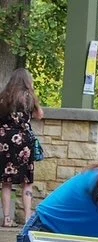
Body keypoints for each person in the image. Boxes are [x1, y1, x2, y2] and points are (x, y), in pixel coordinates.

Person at [0, 68, 44, 226]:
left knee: (6, 181)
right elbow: (40, 115)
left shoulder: (4, 96)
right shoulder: (29, 97)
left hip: (5, 141)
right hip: (24, 141)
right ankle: (26, 218)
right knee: (27, 182)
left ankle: (6, 218)